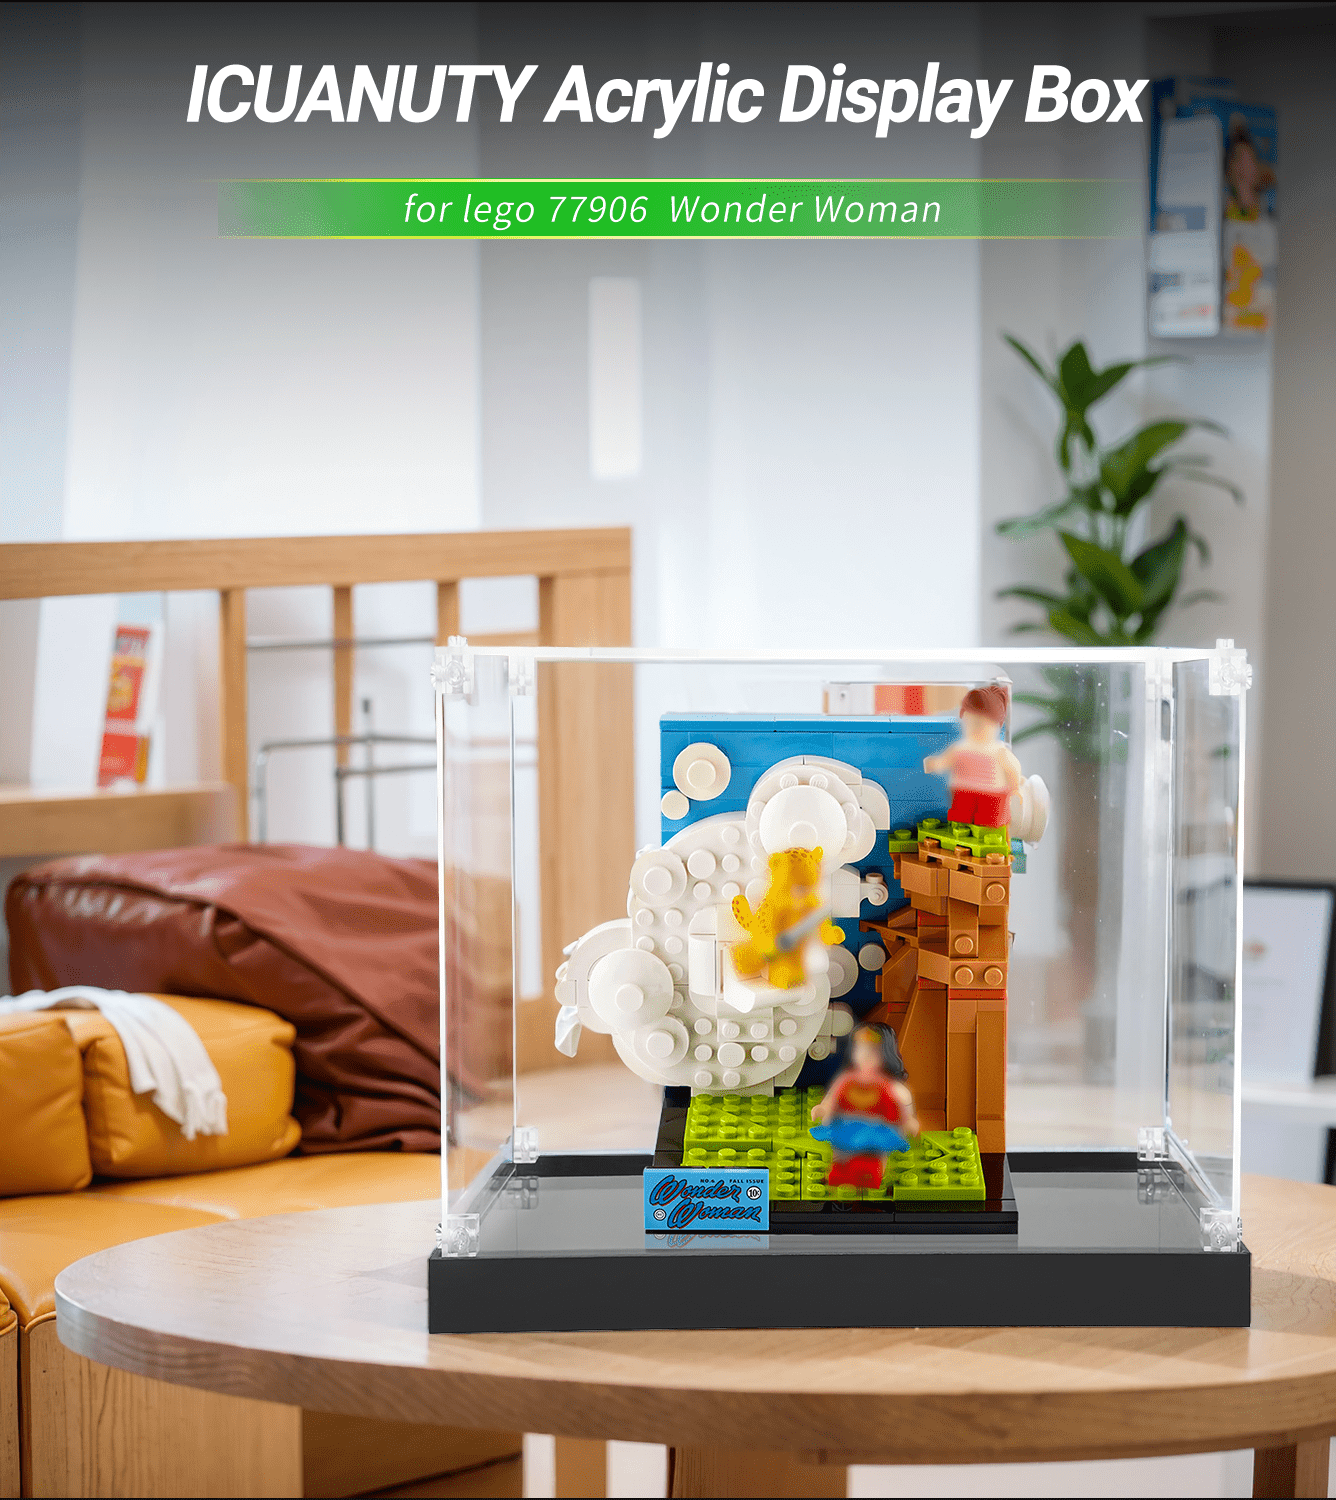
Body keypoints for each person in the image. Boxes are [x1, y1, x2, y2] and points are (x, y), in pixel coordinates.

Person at [809, 1022, 918, 1190]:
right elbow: (832, 1099)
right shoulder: (846, 1080)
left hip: (877, 1130)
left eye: (872, 1050)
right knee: (841, 1155)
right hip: (847, 1126)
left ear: (886, 1053)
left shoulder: (891, 1087)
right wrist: (823, 1108)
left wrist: (908, 1121)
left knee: (874, 1158)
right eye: (859, 1049)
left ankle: (873, 1178)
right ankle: (839, 1175)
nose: (864, 1055)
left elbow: (903, 1107)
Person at [923, 684, 1022, 830]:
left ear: (997, 724)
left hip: (992, 797)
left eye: (981, 724)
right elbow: (945, 761)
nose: (975, 728)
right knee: (960, 820)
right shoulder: (961, 748)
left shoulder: (998, 751)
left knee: (988, 824)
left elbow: (1013, 768)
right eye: (970, 723)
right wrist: (934, 764)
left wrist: (1015, 788)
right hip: (962, 794)